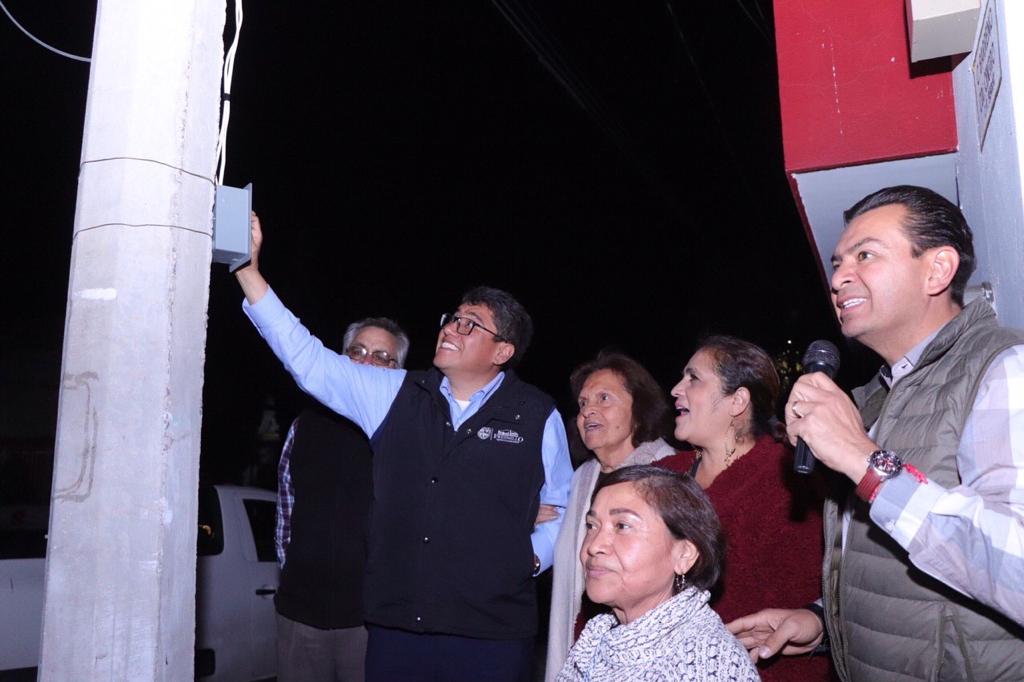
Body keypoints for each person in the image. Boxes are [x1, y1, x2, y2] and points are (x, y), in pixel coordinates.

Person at [235, 214, 573, 682]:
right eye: (452, 318)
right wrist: (249, 272)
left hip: (492, 635)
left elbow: (562, 504)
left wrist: (532, 558)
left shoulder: (537, 415)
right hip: (398, 632)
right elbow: (308, 359)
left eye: (470, 325)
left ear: (502, 352)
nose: (451, 329)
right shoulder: (394, 393)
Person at [728, 186, 1024, 680]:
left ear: (938, 269)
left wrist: (867, 463)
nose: (839, 277)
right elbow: (895, 575)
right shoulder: (871, 397)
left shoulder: (1003, 368)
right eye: (837, 262)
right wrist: (823, 621)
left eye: (865, 255)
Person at [655, 336, 832, 681]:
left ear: (737, 401)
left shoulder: (787, 481)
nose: (676, 389)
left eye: (693, 379)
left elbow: (808, 599)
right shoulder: (663, 474)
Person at [274, 317, 409, 682]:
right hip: (299, 616)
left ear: (397, 373)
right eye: (357, 351)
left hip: (372, 622)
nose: (366, 362)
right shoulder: (306, 423)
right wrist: (294, 574)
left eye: (382, 357)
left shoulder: (408, 437)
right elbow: (286, 509)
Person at [556, 465, 758, 681]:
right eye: (591, 525)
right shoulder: (595, 641)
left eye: (622, 526)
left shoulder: (709, 663)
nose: (594, 546)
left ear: (684, 555)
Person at [544, 353, 676, 681]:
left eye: (604, 398)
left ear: (639, 407)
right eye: (584, 402)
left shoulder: (669, 471)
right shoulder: (582, 478)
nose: (588, 410)